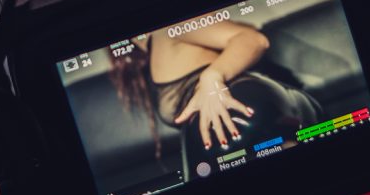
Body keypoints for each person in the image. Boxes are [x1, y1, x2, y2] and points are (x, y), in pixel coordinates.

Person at [109, 19, 321, 177]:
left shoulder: (166, 28)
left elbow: (254, 40)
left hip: (246, 107)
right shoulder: (148, 51)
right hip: (239, 121)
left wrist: (212, 78)